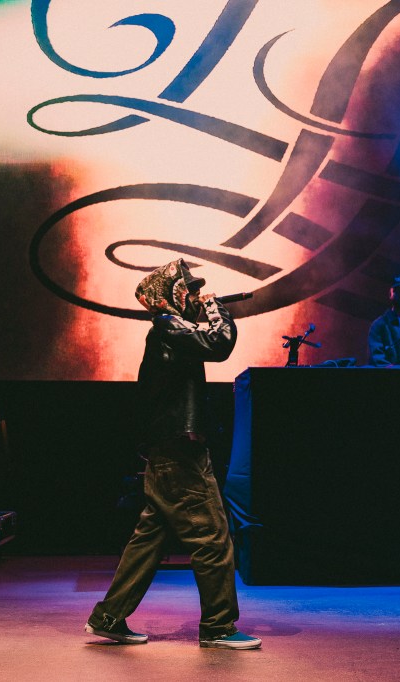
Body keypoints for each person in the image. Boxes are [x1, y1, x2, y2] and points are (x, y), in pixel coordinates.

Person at [85, 259, 262, 650]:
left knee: (150, 537)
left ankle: (109, 617)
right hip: (181, 454)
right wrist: (216, 309)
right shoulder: (168, 326)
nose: (196, 296)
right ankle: (218, 627)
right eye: (191, 290)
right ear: (171, 294)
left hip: (169, 450)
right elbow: (219, 344)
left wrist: (205, 312)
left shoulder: (172, 331)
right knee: (214, 537)